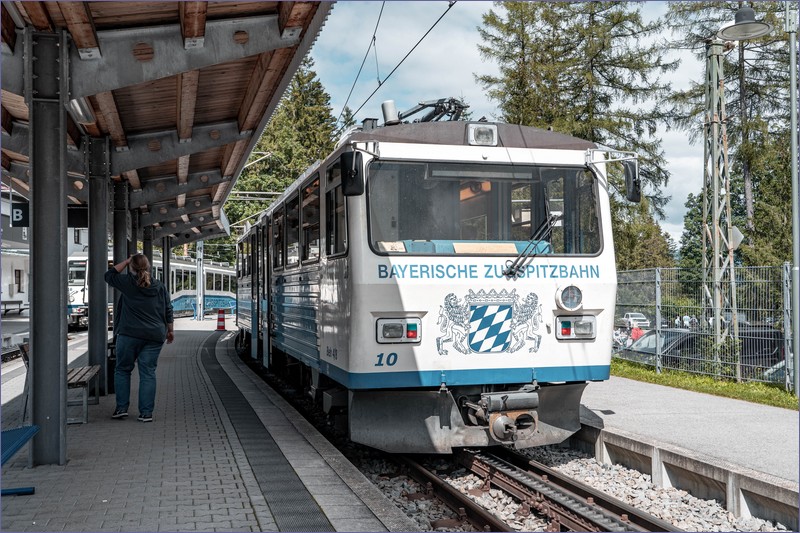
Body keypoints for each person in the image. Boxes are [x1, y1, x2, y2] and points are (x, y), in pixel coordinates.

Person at [105, 254, 174, 422]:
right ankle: (146, 413)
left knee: (122, 370)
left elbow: (109, 275)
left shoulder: (128, 283)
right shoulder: (159, 286)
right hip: (154, 335)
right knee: (148, 372)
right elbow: (168, 308)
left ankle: (121, 409)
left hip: (129, 334)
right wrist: (170, 330)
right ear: (148, 267)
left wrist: (127, 261)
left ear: (132, 267)